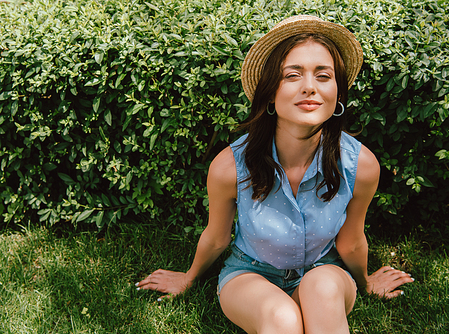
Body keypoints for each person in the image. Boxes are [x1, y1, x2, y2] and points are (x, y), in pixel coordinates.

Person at [136, 15, 414, 333]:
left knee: (321, 288)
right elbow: (217, 237)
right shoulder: (229, 168)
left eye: (323, 76)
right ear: (270, 93)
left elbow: (350, 242)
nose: (310, 87)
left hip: (324, 272)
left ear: (337, 93)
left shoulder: (360, 166)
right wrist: (188, 277)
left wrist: (365, 281)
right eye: (292, 75)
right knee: (282, 318)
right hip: (249, 274)